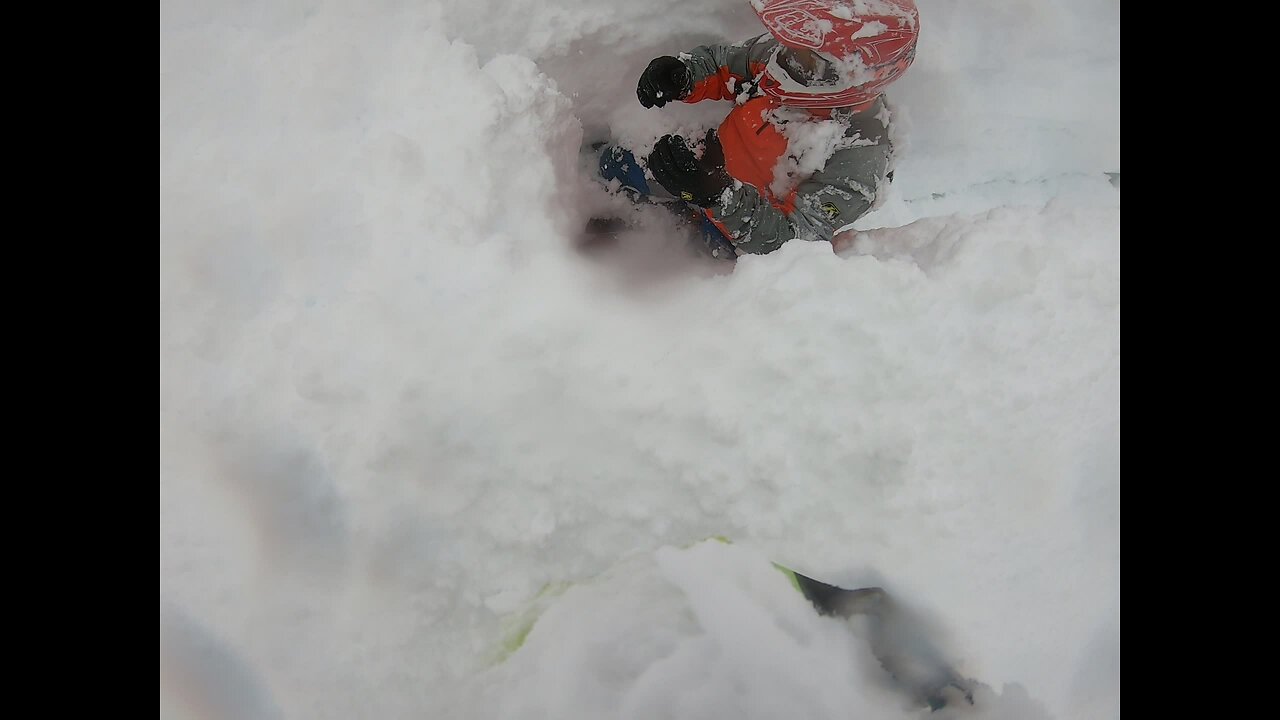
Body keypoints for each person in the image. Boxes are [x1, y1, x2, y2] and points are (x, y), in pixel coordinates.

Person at [597, 0, 919, 260]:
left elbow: (791, 240)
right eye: (790, 49)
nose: (785, 60)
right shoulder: (788, 58)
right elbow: (729, 63)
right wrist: (684, 75)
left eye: (803, 60)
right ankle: (584, 204)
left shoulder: (860, 157)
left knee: (680, 269)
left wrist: (716, 195)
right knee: (614, 166)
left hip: (738, 231)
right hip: (709, 162)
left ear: (849, 74)